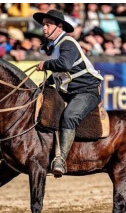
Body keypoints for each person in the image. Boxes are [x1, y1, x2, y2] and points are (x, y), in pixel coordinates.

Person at [33, 9, 103, 177]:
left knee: (69, 116)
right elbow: (60, 75)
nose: (44, 28)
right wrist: (44, 84)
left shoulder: (67, 43)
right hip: (70, 92)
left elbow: (64, 65)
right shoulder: (57, 46)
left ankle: (61, 160)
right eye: (43, 25)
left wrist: (46, 65)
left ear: (59, 26)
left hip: (86, 91)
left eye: (48, 25)